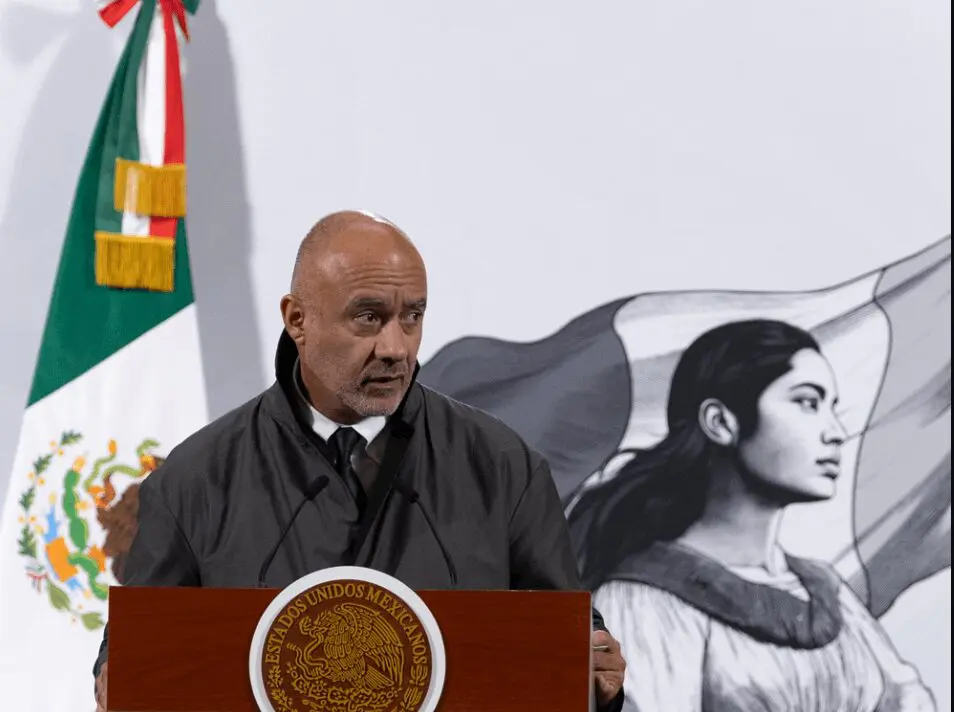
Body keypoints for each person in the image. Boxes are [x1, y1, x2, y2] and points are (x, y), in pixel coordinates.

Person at [93, 210, 626, 711]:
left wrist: (597, 676)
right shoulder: (195, 480)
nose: (396, 346)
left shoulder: (504, 468)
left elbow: (566, 641)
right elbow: (137, 655)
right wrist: (114, 677)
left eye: (411, 317)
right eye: (368, 318)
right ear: (297, 319)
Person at [565, 319, 936, 712]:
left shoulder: (828, 593)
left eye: (832, 407)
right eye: (808, 402)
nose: (835, 431)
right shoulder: (642, 601)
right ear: (721, 422)